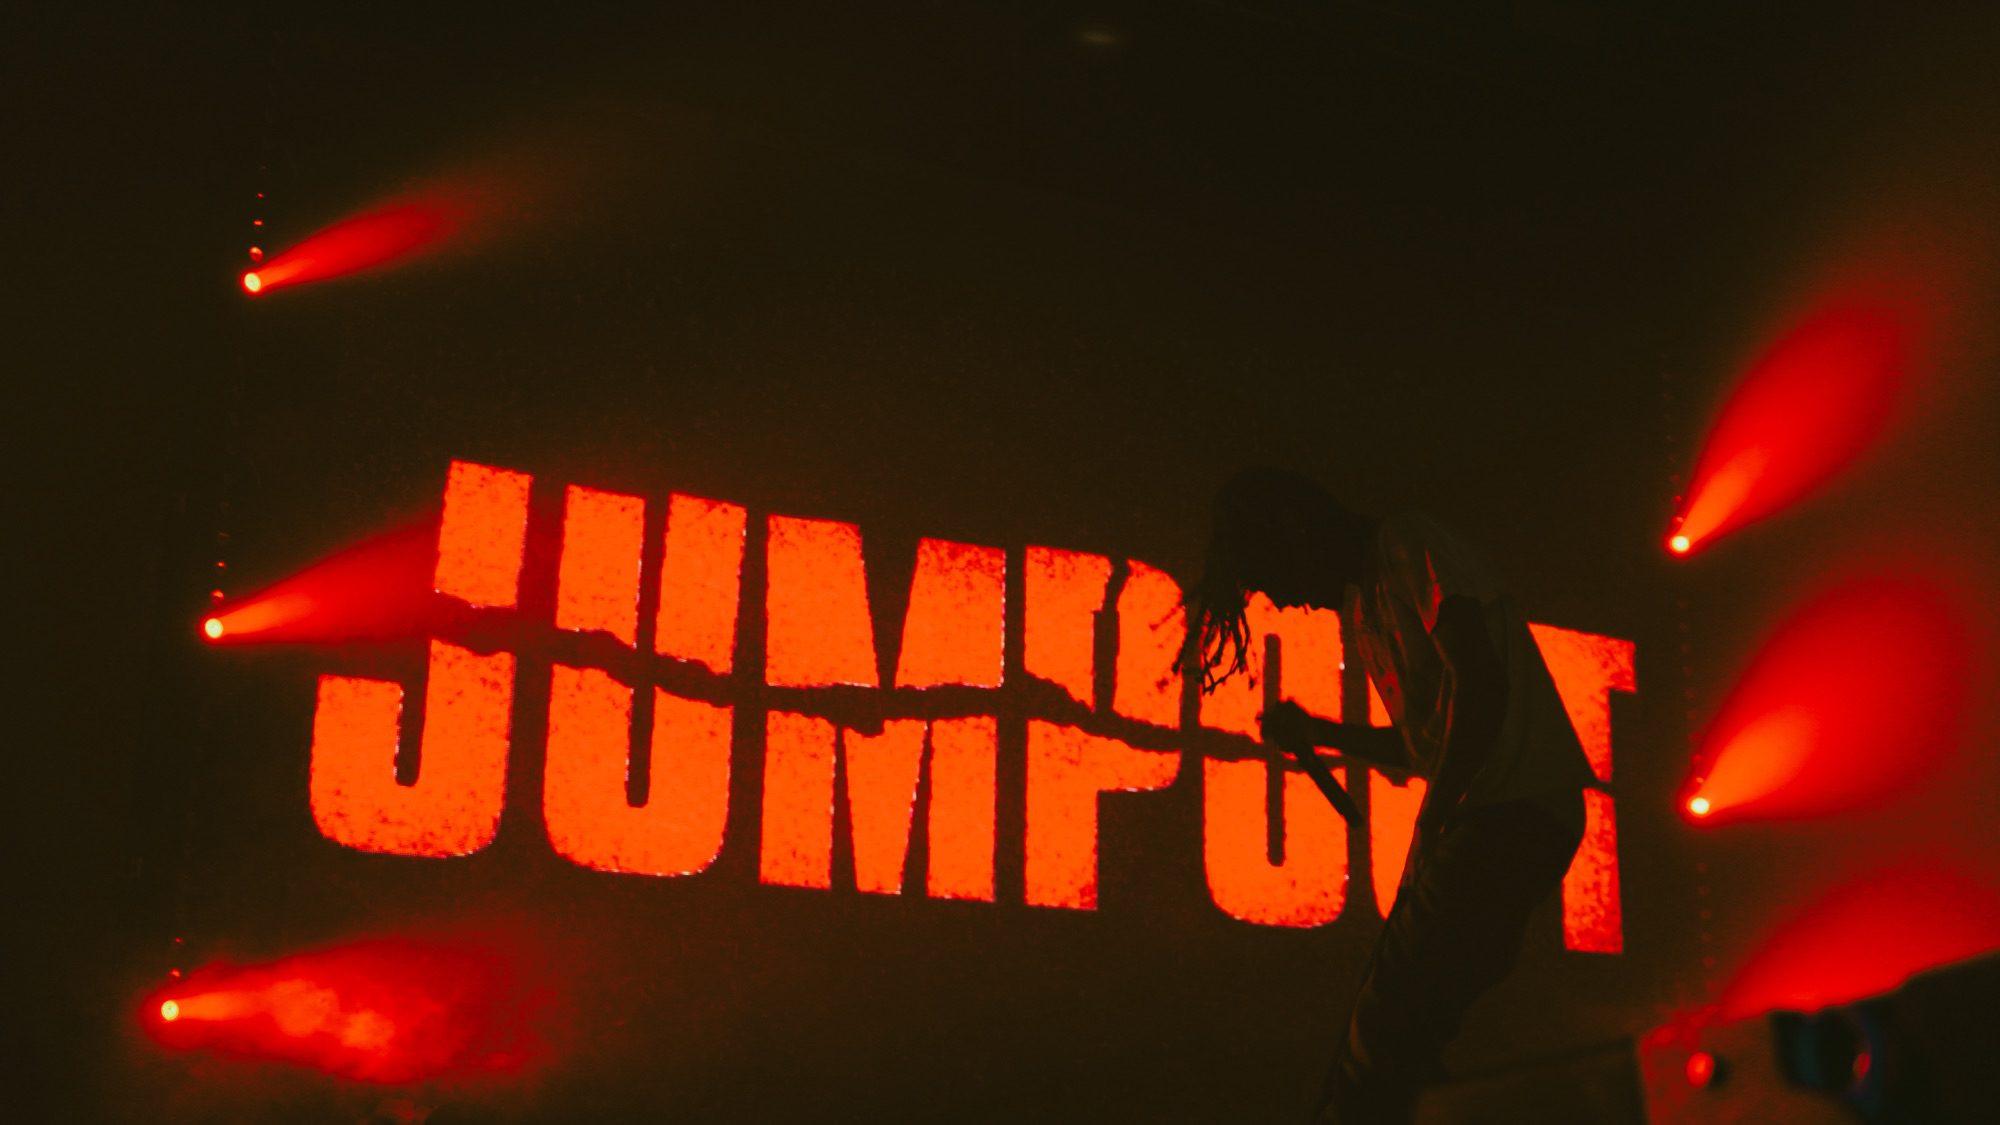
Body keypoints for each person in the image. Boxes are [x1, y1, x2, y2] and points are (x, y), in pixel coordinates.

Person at [1180, 467, 1598, 1124]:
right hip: (1498, 818)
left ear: (1297, 530)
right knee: (1402, 1029)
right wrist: (1320, 731)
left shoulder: (1408, 543)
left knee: (1386, 1026)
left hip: (1513, 811)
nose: (1281, 598)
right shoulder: (1366, 606)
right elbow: (1427, 742)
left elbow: (1481, 685)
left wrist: (1434, 819)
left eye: (1271, 573)